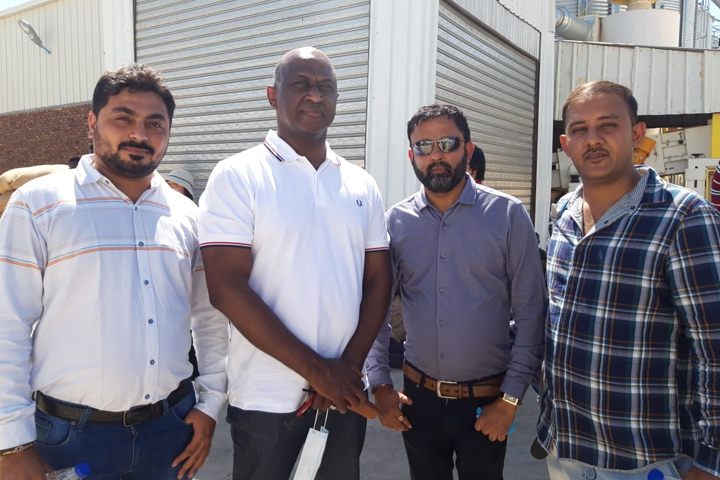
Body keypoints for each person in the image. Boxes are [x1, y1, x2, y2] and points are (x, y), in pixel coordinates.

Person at [0, 64, 228, 480]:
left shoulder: (186, 216)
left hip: (170, 431)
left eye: (155, 123)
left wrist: (211, 403)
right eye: (123, 118)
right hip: (69, 436)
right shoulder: (39, 205)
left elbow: (209, 317)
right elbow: (7, 321)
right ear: (92, 122)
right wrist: (11, 441)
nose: (140, 134)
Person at [198, 47, 393, 480]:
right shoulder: (238, 175)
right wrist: (320, 373)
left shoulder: (361, 183)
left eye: (326, 87)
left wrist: (346, 371)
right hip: (266, 402)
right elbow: (226, 289)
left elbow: (379, 280)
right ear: (273, 95)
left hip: (343, 396)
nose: (315, 95)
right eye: (301, 84)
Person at [536, 81, 720, 480]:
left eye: (608, 125)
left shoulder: (683, 217)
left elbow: (714, 347)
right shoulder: (564, 212)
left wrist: (711, 459)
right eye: (580, 129)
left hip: (646, 460)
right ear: (566, 145)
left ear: (637, 134)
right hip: (567, 448)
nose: (593, 140)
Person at [366, 104, 547, 480]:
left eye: (447, 143)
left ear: (468, 149)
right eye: (423, 146)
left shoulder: (508, 215)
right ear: (411, 156)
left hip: (486, 402)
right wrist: (380, 384)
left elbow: (531, 313)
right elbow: (375, 310)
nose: (436, 155)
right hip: (418, 401)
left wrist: (510, 400)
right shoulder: (396, 222)